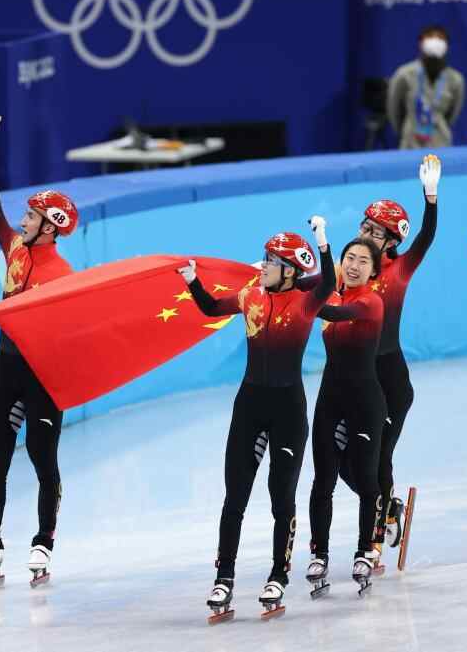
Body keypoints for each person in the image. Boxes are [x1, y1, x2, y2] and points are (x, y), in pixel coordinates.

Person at [178, 219, 334, 619]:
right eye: (264, 257)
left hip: (288, 410)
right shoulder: (250, 295)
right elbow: (211, 307)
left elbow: (329, 280)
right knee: (235, 496)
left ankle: (278, 575)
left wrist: (322, 241)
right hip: (249, 405)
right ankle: (223, 578)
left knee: (281, 496)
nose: (262, 265)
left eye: (271, 260)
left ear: (290, 271)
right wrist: (193, 281)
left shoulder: (306, 303)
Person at [0, 116, 79, 589]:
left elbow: (67, 335)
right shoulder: (15, 248)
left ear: (51, 228)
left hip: (42, 375)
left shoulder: (62, 275)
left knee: (41, 457)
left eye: (33, 216)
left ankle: (43, 541)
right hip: (6, 368)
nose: (23, 220)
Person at [344, 154, 440, 562]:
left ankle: (377, 531)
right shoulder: (349, 269)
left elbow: (426, 237)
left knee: (378, 457)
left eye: (374, 231)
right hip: (356, 379)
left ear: (391, 242)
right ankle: (389, 505)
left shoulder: (400, 269)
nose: (365, 234)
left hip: (390, 380)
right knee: (345, 464)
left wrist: (430, 197)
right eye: (364, 226)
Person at [306, 238, 386, 596]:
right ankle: (319, 555)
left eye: (363, 261)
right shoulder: (334, 293)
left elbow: (334, 314)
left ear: (374, 270)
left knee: (366, 479)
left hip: (365, 402)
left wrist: (302, 299)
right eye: (350, 258)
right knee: (323, 479)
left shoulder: (371, 302)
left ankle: (365, 551)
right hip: (330, 400)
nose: (354, 265)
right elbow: (315, 287)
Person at [387, 25, 466, 149]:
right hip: (410, 143)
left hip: (441, 143)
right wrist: (406, 129)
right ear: (421, 43)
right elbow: (394, 110)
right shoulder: (404, 74)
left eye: (440, 38)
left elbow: (452, 115)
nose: (435, 41)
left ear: (447, 45)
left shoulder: (456, 79)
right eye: (430, 37)